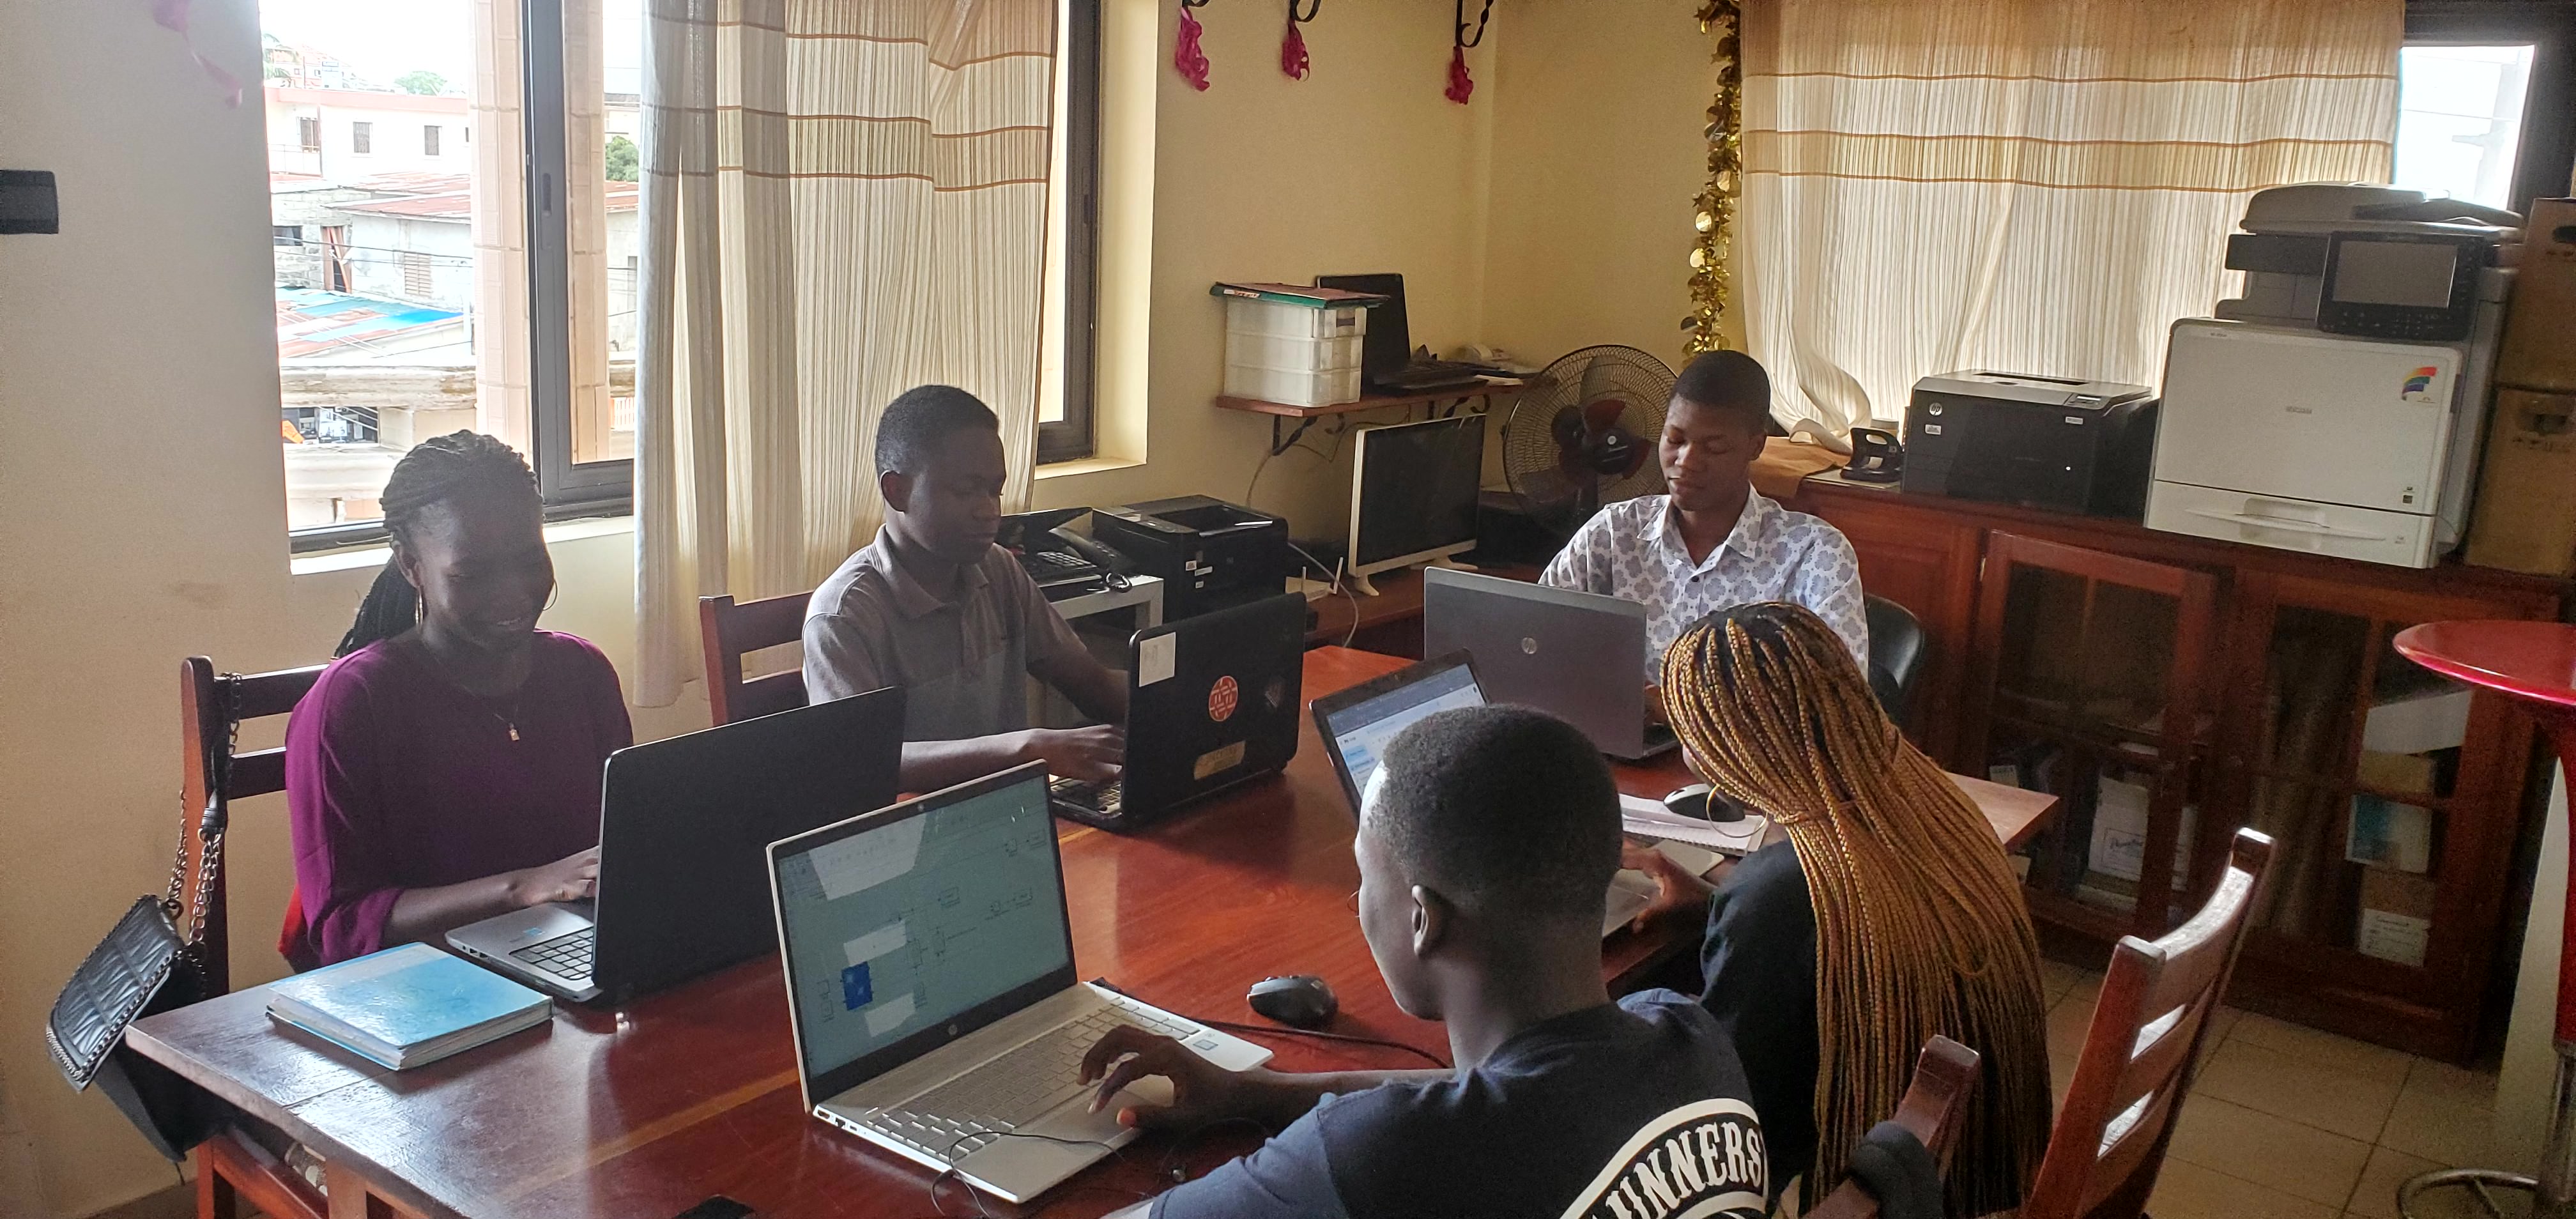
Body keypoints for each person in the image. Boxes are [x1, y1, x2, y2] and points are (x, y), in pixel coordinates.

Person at [1079, 705, 1771, 1219]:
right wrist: (1262, 1092)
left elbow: (1423, 1130)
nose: (1357, 900)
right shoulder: (1690, 1035)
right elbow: (1500, 1101)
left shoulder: (1381, 1158)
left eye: (1363, 879)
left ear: (1422, 921)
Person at [1624, 603, 2051, 1216]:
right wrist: (1719, 913)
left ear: (1730, 747)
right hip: (1969, 1168)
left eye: (1689, 734)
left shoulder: (1783, 892)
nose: (1688, 755)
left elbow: (1736, 1118)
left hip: (1896, 1187)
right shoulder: (1930, 803)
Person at [284, 432, 630, 969]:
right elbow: (341, 928)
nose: (513, 592)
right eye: (473, 573)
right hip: (418, 989)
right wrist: (524, 889)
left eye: (529, 559)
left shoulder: (581, 673)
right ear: (411, 566)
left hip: (569, 963)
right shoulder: (354, 705)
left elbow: (617, 848)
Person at [803, 386, 1128, 792]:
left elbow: (1092, 687)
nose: (989, 510)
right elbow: (861, 761)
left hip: (1011, 818)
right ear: (897, 491)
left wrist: (1183, 690)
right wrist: (1024, 749)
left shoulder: (999, 570)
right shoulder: (844, 615)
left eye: (995, 490)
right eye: (965, 490)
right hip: (911, 834)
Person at [1539, 350, 1866, 689]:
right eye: (1675, 440)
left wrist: (1667, 709)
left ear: (1755, 446)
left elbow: (1842, 696)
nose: (1687, 461)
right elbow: (1534, 635)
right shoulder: (1612, 534)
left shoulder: (1814, 554)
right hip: (1613, 738)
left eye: (1714, 448)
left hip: (1745, 742)